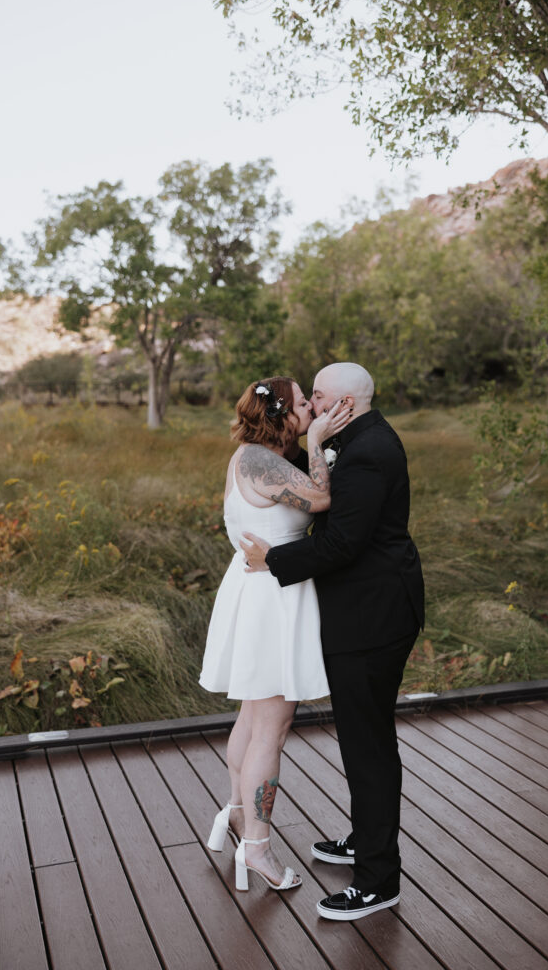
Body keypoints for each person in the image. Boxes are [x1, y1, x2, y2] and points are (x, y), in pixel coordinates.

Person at [241, 362, 424, 921]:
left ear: (346, 401)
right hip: (360, 612)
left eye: (317, 397)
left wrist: (272, 560)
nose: (312, 406)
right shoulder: (352, 438)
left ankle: (377, 879)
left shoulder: (369, 451)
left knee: (367, 746)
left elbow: (343, 542)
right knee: (359, 740)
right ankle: (365, 840)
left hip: (373, 617)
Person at [200, 376, 351, 893]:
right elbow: (322, 501)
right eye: (306, 404)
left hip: (258, 590)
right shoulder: (262, 462)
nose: (313, 408)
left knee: (251, 716)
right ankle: (259, 849)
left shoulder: (249, 457)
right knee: (272, 727)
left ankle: (238, 818)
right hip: (271, 597)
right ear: (285, 413)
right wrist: (316, 445)